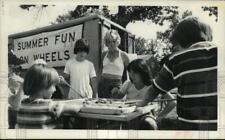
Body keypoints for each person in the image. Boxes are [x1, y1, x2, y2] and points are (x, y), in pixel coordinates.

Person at [140, 17, 217, 130]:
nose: (176, 50)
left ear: (181, 41)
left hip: (190, 127)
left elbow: (154, 90)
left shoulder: (176, 60)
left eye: (175, 46)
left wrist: (139, 105)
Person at [111, 59, 176, 130]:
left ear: (143, 72)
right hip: (129, 116)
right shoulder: (128, 84)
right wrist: (114, 91)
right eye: (130, 72)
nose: (131, 75)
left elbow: (172, 102)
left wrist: (159, 116)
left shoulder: (154, 84)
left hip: (148, 115)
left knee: (148, 124)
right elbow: (116, 99)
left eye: (134, 73)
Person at [16, 64, 81, 129]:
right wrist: (61, 105)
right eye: (53, 85)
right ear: (43, 85)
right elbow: (76, 108)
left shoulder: (22, 104)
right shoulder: (48, 105)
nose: (55, 89)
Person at [98, 29, 130, 98]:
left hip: (116, 84)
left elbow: (130, 74)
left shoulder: (124, 55)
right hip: (103, 84)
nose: (112, 44)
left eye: (114, 41)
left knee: (115, 105)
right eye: (109, 42)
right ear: (106, 43)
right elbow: (100, 70)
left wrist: (128, 88)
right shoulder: (103, 54)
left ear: (118, 41)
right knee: (101, 106)